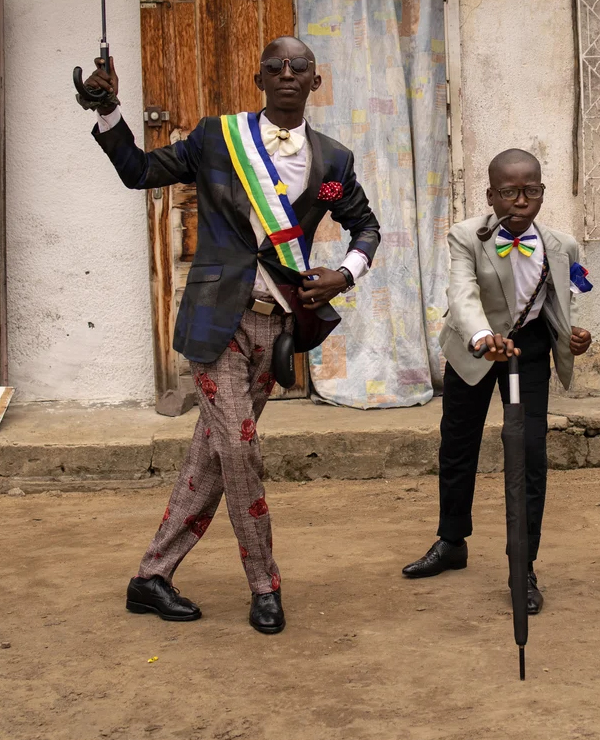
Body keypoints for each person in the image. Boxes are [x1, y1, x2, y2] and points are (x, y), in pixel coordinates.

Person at [78, 36, 381, 635]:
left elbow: (366, 226)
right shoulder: (218, 137)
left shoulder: (334, 161)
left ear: (316, 83)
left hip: (277, 327)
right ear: (259, 78)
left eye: (301, 68)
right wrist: (107, 112)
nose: (288, 74)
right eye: (277, 67)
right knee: (240, 449)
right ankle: (264, 585)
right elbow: (139, 171)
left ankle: (151, 578)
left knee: (214, 455)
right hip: (217, 322)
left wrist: (344, 272)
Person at [401, 149, 592, 614]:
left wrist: (574, 336)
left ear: (542, 192)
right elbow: (461, 293)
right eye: (509, 192)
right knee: (458, 446)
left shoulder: (562, 245)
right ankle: (452, 541)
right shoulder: (466, 236)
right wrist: (484, 338)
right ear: (491, 194)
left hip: (527, 354)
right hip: (475, 349)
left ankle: (522, 565)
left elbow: (558, 302)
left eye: (531, 191)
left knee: (528, 456)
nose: (520, 201)